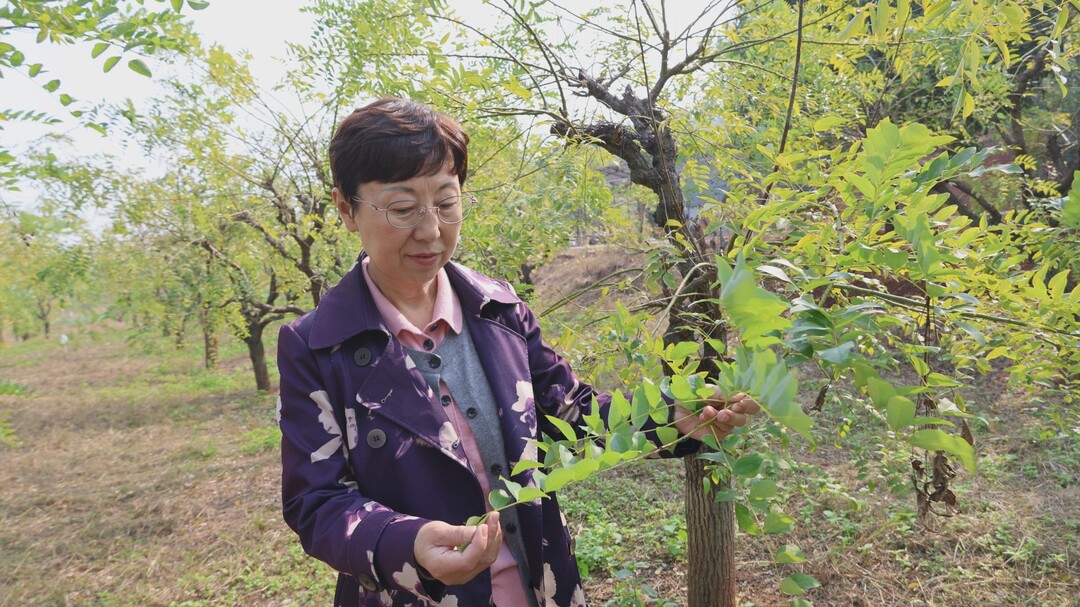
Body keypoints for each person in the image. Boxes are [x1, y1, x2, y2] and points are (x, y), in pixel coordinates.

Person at [277, 97, 760, 607]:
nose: (430, 230)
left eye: (446, 202)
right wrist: (409, 543)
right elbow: (317, 502)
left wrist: (673, 418)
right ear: (346, 209)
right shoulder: (317, 347)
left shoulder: (499, 311)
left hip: (540, 587)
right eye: (402, 209)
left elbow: (572, 415)